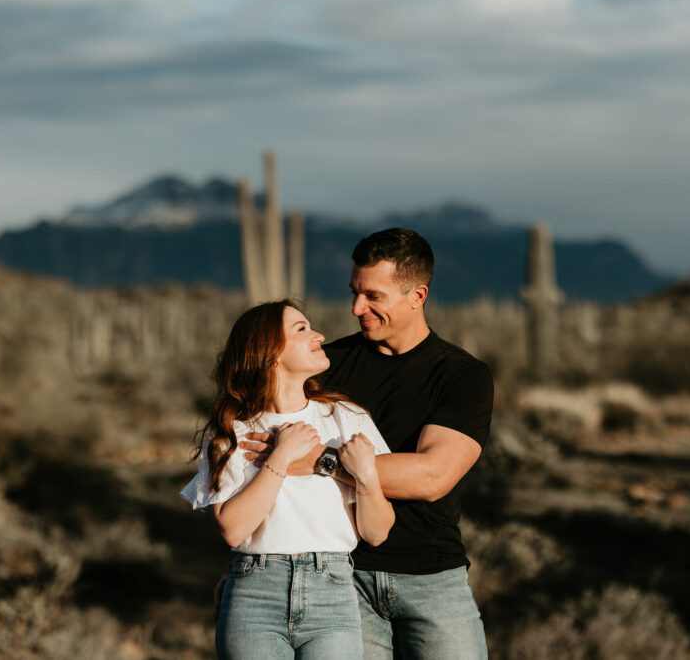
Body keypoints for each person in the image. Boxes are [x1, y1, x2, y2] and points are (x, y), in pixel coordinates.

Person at [242, 228, 494, 659]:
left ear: (418, 295)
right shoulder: (325, 367)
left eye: (374, 296)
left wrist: (317, 460)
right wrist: (241, 574)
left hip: (432, 576)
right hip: (338, 577)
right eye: (355, 292)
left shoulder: (461, 375)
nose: (358, 308)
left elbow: (431, 476)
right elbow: (260, 462)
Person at [180, 299, 395, 660]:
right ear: (269, 353)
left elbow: (377, 532)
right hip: (254, 595)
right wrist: (280, 456)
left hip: (334, 593)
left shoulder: (346, 418)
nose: (319, 335)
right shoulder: (231, 431)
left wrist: (367, 477)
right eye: (302, 329)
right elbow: (233, 530)